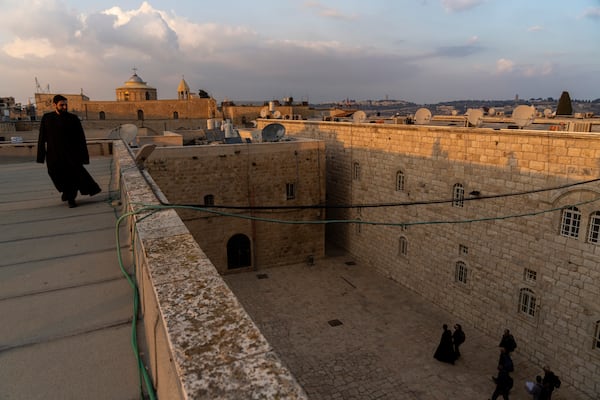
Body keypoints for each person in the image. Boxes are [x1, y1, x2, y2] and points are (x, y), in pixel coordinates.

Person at [37, 95, 101, 208]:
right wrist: (40, 156)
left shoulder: (73, 119)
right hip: (53, 154)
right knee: (54, 173)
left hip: (71, 155)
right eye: (62, 105)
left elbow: (81, 138)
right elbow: (42, 137)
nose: (64, 107)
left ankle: (71, 198)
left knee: (71, 176)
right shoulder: (47, 118)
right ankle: (65, 192)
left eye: (66, 105)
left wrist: (83, 157)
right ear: (54, 105)